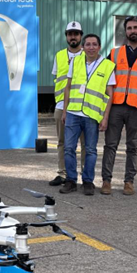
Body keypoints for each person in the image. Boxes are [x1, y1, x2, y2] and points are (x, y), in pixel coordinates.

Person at [102, 16, 137, 196]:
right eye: (129, 28)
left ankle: (129, 182)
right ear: (125, 31)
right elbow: (105, 80)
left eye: (136, 28)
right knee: (110, 145)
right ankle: (106, 181)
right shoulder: (115, 53)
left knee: (133, 147)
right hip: (116, 106)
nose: (132, 31)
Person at [60, 34, 116, 195]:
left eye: (94, 44)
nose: (91, 47)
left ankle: (88, 182)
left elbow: (110, 94)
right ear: (83, 47)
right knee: (69, 148)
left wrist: (105, 117)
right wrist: (65, 110)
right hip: (73, 112)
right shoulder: (76, 61)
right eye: (88, 44)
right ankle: (71, 180)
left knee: (90, 150)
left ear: (99, 47)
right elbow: (68, 87)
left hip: (92, 115)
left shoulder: (107, 66)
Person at [49, 21, 84, 187]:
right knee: (62, 142)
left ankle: (85, 176)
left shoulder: (88, 55)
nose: (73, 36)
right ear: (66, 36)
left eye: (76, 33)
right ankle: (63, 174)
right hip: (62, 105)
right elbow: (57, 79)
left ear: (80, 36)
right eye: (70, 33)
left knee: (85, 143)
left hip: (83, 106)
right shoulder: (59, 55)